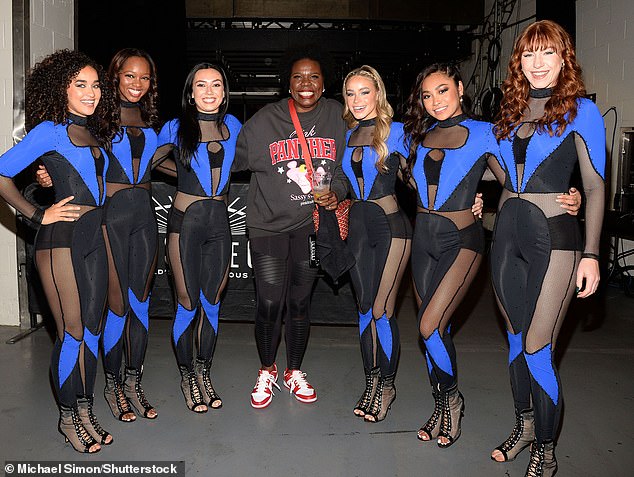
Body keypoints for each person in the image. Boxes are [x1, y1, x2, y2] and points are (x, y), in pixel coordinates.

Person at [402, 63, 582, 450]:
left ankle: (453, 400)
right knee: (438, 333)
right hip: (422, 242)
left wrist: (570, 195)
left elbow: (520, 180)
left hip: (462, 242)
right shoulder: (415, 136)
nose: (435, 101)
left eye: (443, 91)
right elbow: (401, 176)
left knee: (428, 327)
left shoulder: (487, 133)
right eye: (427, 95)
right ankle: (440, 404)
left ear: (461, 88)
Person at [490, 20, 605, 477]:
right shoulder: (509, 111)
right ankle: (523, 426)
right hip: (505, 240)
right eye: (528, 55)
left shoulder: (582, 111)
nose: (537, 64)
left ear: (563, 60)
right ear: (518, 61)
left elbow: (594, 187)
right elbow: (501, 174)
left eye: (547, 54)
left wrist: (593, 254)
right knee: (517, 344)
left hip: (555, 241)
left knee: (539, 347)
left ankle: (546, 445)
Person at [36, 48, 173, 422]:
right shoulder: (96, 116)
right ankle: (110, 388)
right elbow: (69, 155)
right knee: (115, 307)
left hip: (144, 218)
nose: (137, 84)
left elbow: (159, 161)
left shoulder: (152, 118)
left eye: (145, 77)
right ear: (115, 76)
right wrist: (44, 175)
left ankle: (131, 382)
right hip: (106, 221)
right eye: (129, 76)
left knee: (140, 304)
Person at [0, 49, 119, 453]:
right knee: (72, 333)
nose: (91, 92)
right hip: (60, 243)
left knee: (93, 332)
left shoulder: (95, 131)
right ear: (61, 89)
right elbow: (1, 174)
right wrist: (37, 213)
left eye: (96, 85)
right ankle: (68, 418)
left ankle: (85, 410)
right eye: (80, 85)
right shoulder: (49, 131)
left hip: (93, 238)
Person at [233, 45, 347, 409]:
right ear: (288, 82)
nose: (306, 83)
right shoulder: (263, 121)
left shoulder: (339, 118)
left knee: (299, 302)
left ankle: (293, 370)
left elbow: (349, 168)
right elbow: (223, 162)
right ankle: (267, 369)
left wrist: (337, 192)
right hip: (267, 226)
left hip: (309, 226)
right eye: (298, 76)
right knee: (269, 301)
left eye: (314, 76)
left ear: (325, 83)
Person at [156, 63, 241, 413]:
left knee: (212, 302)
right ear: (190, 93)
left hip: (220, 225)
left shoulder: (234, 125)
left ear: (224, 92)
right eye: (201, 85)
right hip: (184, 225)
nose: (209, 91)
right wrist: (185, 174)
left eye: (216, 85)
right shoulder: (175, 128)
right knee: (187, 303)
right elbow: (145, 163)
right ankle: (187, 374)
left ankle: (204, 371)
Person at [339, 66, 411, 422]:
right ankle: (371, 380)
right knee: (364, 308)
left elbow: (430, 176)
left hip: (391, 229)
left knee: (382, 309)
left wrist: (473, 199)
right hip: (357, 228)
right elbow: (342, 183)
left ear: (378, 94)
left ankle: (387, 385)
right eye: (350, 93)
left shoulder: (397, 133)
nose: (357, 100)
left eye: (364, 92)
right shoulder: (349, 133)